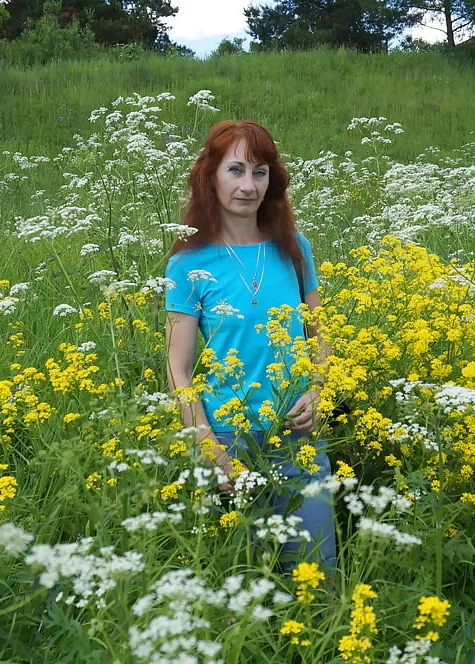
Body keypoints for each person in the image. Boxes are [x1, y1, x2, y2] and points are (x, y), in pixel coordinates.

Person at [164, 120, 336, 572]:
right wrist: (213, 453)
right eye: (235, 170)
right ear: (210, 177)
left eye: (259, 172)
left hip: (297, 438)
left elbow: (320, 339)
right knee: (243, 583)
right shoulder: (187, 264)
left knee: (317, 574)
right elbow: (178, 370)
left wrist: (316, 392)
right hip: (229, 442)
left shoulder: (295, 248)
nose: (248, 185)